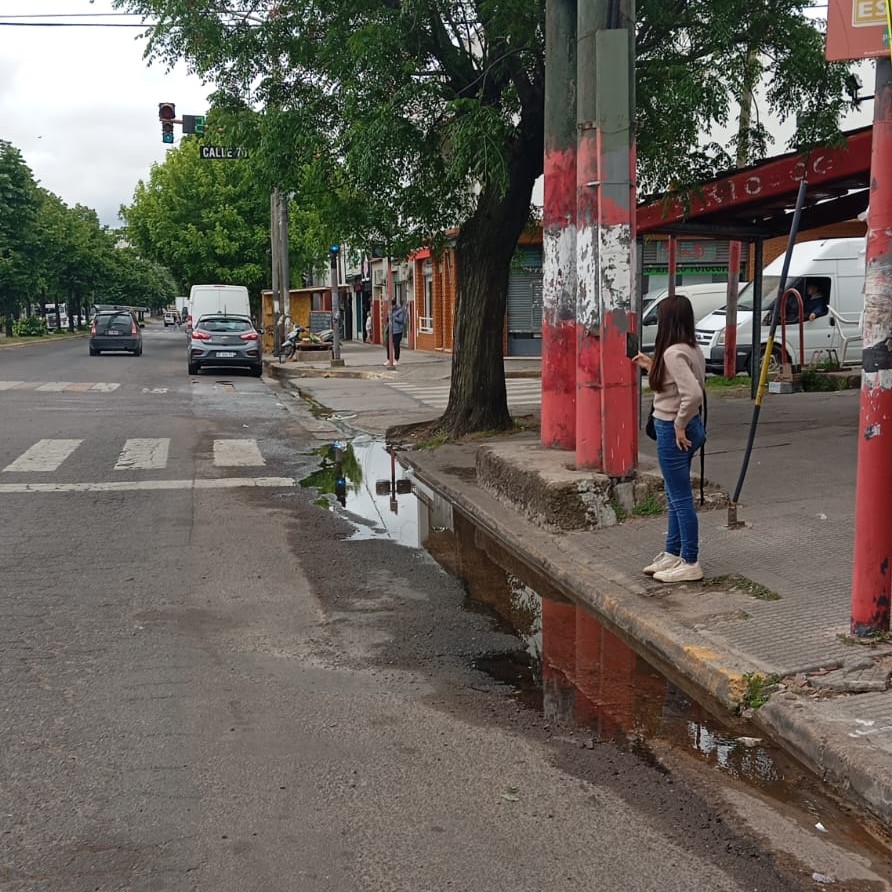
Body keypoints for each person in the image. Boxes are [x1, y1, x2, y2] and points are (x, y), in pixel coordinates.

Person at [633, 294, 707, 583]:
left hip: (673, 430)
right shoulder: (690, 348)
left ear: (667, 321)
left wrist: (678, 424)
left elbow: (693, 393)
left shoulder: (673, 353)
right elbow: (676, 385)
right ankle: (673, 552)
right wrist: (650, 365)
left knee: (680, 497)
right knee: (674, 493)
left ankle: (690, 561)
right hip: (691, 427)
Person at [385, 298, 406, 366]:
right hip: (390, 329)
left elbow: (401, 320)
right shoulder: (390, 311)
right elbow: (387, 320)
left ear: (394, 305)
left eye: (391, 306)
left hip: (398, 331)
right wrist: (388, 317)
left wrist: (393, 317)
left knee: (396, 345)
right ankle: (389, 359)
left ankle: (396, 359)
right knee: (388, 344)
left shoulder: (400, 311)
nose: (390, 307)